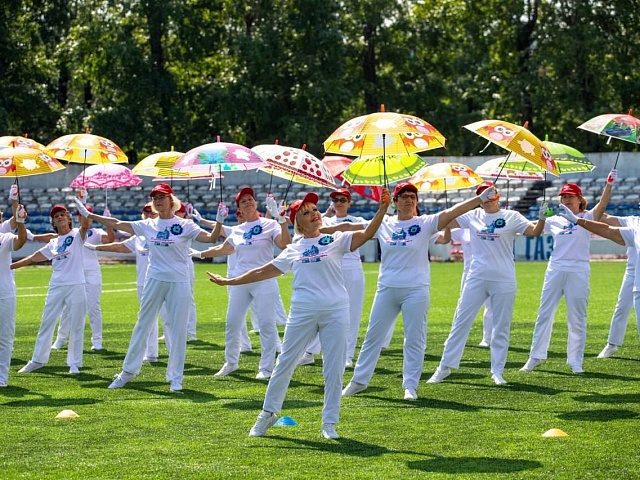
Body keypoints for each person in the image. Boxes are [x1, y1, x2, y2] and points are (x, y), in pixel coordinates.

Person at [207, 188, 390, 439]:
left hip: (336, 310)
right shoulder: (294, 248)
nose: (314, 214)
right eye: (306, 212)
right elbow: (263, 271)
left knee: (334, 368)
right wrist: (231, 281)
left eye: (315, 210)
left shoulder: (336, 239)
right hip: (303, 311)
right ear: (298, 224)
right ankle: (268, 413)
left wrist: (382, 208)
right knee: (284, 364)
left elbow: (368, 233)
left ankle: (329, 423)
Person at [342, 181, 498, 401]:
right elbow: (355, 230)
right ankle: (358, 381)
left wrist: (480, 199)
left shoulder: (425, 223)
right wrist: (380, 209)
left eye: (413, 197)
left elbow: (452, 212)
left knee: (414, 338)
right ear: (394, 201)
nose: (409, 200)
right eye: (404, 196)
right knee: (373, 337)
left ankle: (410, 385)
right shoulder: (384, 223)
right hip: (387, 288)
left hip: (415, 289)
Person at [75, 183, 219, 391]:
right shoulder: (148, 225)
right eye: (155, 198)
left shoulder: (186, 225)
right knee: (143, 324)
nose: (158, 201)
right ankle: (128, 372)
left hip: (179, 280)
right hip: (154, 278)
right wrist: (90, 215)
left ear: (172, 200)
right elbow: (117, 223)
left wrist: (220, 221)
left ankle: (176, 377)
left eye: (162, 197)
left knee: (177, 329)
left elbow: (211, 238)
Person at [426, 181, 547, 386]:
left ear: (498, 195)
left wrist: (542, 218)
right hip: (477, 276)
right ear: (479, 199)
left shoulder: (512, 216)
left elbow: (534, 232)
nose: (488, 197)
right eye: (483, 194)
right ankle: (444, 367)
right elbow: (445, 221)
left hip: (504, 277)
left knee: (501, 326)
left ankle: (497, 371)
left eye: (491, 193)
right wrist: (469, 206)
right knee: (461, 321)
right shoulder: (473, 216)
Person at [521, 175, 613, 374]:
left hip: (578, 270)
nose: (566, 200)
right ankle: (535, 357)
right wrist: (542, 217)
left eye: (570, 196)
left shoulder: (588, 217)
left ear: (580, 199)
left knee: (577, 317)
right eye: (563, 197)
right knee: (544, 313)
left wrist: (609, 183)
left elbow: (603, 205)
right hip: (556, 268)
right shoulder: (555, 220)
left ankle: (575, 360)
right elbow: (534, 231)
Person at [197, 187, 291, 380]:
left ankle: (266, 368)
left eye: (250, 199)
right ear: (239, 208)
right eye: (243, 201)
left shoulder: (269, 225)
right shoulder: (238, 230)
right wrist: (197, 254)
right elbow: (224, 249)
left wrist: (281, 220)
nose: (248, 202)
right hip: (240, 280)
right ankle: (231, 362)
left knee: (266, 324)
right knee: (233, 322)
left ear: (256, 203)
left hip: (264, 279)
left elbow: (284, 244)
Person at [12, 204, 89, 375]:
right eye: (56, 216)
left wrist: (83, 205)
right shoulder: (53, 243)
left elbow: (85, 225)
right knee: (47, 322)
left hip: (76, 284)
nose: (60, 217)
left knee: (76, 325)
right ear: (53, 223)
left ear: (69, 219)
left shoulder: (77, 235)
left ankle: (75, 364)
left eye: (62, 214)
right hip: (56, 286)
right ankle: (37, 360)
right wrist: (8, 266)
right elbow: (32, 258)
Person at [555, 201, 640, 355]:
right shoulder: (634, 222)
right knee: (621, 307)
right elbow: (605, 221)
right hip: (633, 270)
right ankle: (612, 343)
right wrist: (578, 212)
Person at [297, 188, 368, 368]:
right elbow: (305, 231)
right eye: (335, 200)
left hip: (351, 267)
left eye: (343, 200)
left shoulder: (357, 220)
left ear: (349, 203)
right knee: (324, 311)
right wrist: (329, 217)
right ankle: (310, 351)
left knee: (352, 313)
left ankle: (347, 355)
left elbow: (367, 228)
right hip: (329, 268)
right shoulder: (324, 219)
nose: (339, 203)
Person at [93, 202, 162, 362]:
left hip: (163, 279)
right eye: (145, 212)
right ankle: (151, 353)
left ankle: (175, 354)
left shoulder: (162, 232)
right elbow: (119, 247)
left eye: (151, 212)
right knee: (147, 317)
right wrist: (96, 248)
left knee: (168, 319)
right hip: (143, 282)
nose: (148, 215)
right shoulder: (138, 236)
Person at [52, 205, 115, 351]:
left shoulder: (96, 232)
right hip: (75, 273)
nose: (82, 217)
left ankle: (97, 341)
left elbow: (110, 239)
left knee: (93, 307)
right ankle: (61, 339)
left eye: (86, 214)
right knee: (67, 308)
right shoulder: (73, 233)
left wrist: (108, 222)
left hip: (92, 273)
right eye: (79, 214)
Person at [450, 227, 493, 347]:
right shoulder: (463, 228)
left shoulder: (492, 226)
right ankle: (455, 337)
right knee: (463, 304)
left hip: (492, 271)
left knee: (491, 305)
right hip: (469, 272)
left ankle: (488, 338)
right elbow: (444, 234)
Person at [0, 202, 28, 387]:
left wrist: (21, 222)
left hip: (5, 293)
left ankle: (1, 377)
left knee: (4, 336)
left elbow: (20, 242)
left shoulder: (5, 237)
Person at [175, 202, 198, 341]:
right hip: (172, 264)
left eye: (178, 211)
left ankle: (190, 332)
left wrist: (190, 217)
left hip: (185, 263)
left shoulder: (185, 225)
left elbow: (191, 230)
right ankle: (172, 329)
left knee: (188, 298)